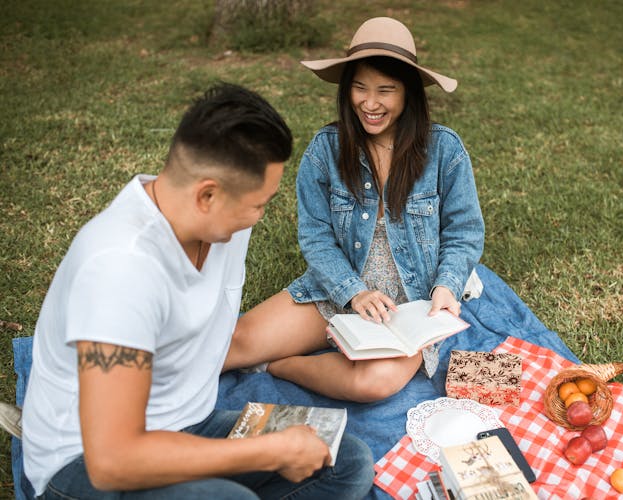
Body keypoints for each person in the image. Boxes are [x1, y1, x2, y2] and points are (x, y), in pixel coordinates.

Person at [20, 83, 374, 499]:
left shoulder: (219, 224)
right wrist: (267, 451)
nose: (261, 216)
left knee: (343, 461)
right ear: (207, 194)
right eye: (259, 204)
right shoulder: (118, 269)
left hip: (186, 425)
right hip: (86, 467)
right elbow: (112, 461)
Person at [224, 17, 485, 402]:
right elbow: (316, 237)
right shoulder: (325, 150)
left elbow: (464, 232)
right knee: (235, 343)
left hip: (412, 302)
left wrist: (446, 286)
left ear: (408, 94)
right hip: (339, 287)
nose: (370, 102)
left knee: (373, 382)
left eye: (386, 90)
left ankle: (279, 366)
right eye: (360, 88)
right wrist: (353, 293)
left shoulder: (445, 149)